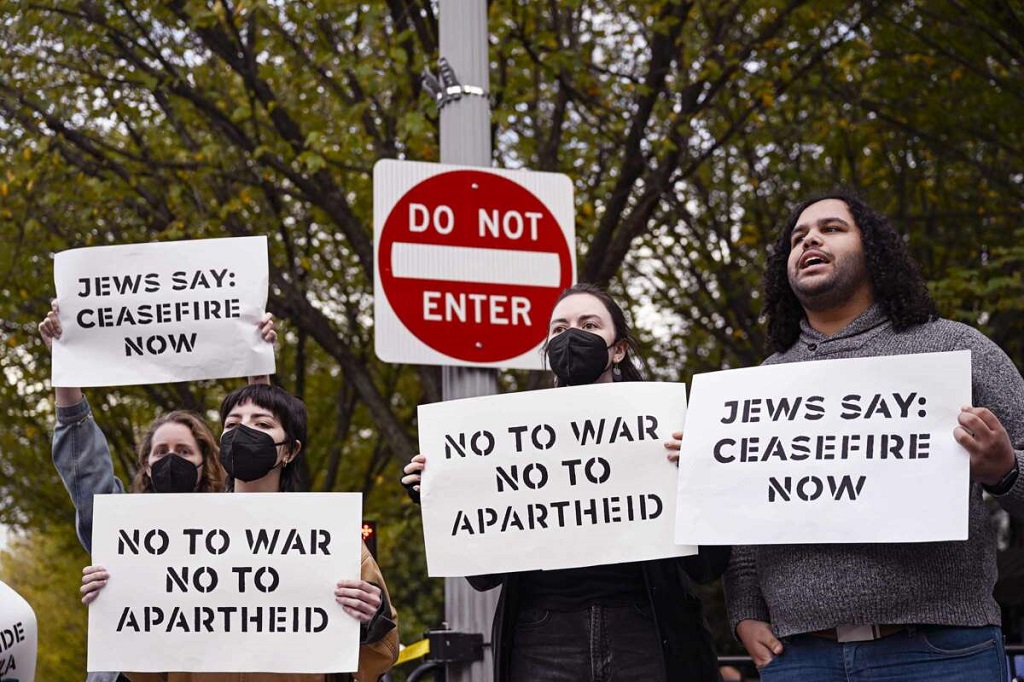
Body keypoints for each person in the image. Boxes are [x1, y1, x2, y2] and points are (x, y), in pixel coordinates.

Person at [725, 188, 1024, 681]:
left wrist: (1005, 471)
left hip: (942, 651)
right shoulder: (762, 382)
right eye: (798, 237)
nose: (809, 240)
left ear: (874, 251)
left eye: (832, 229)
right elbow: (743, 518)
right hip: (799, 657)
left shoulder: (955, 349)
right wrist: (743, 610)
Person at [403, 283, 728, 682]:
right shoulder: (506, 441)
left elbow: (708, 565)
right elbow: (483, 577)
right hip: (542, 639)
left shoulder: (666, 431)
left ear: (619, 349)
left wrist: (699, 477)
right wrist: (443, 495)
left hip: (644, 632)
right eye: (559, 329)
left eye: (589, 324)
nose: (571, 336)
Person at [81, 383, 400, 682]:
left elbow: (379, 660)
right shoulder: (175, 537)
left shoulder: (330, 536)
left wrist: (371, 620)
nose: (244, 432)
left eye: (262, 424)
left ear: (290, 450)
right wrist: (114, 600)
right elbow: (147, 675)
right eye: (232, 424)